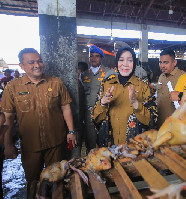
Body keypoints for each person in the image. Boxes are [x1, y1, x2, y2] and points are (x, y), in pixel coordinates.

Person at [1, 48, 76, 198]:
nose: (37, 65)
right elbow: (7, 118)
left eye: (39, 61)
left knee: (57, 181)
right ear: (22, 65)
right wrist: (8, 145)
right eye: (31, 62)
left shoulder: (55, 82)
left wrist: (71, 131)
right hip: (30, 146)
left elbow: (65, 107)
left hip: (55, 142)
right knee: (33, 182)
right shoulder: (13, 87)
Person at [92, 46, 157, 146]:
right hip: (110, 147)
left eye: (129, 60)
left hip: (135, 148)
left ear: (134, 63)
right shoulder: (106, 84)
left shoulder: (144, 86)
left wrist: (136, 104)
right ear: (117, 63)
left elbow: (151, 121)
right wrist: (103, 104)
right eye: (121, 60)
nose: (125, 64)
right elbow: (95, 119)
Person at [80, 45, 116, 153]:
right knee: (90, 140)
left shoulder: (109, 72)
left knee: (105, 138)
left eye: (97, 56)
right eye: (91, 56)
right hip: (89, 113)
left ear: (101, 58)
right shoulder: (84, 75)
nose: (94, 59)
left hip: (104, 111)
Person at [156, 49, 185, 128]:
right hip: (160, 122)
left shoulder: (182, 77)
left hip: (175, 125)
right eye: (160, 62)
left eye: (166, 62)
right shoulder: (161, 76)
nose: (162, 66)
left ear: (174, 62)